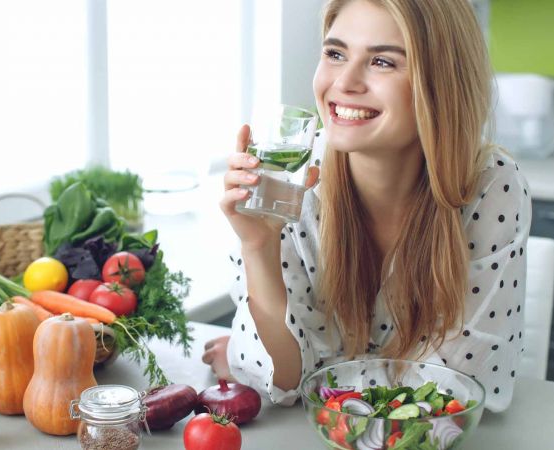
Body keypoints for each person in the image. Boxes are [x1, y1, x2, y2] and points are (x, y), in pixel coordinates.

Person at [204, 0, 531, 413]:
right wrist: (257, 248)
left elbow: (452, 394)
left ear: (441, 81)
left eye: (382, 62)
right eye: (335, 54)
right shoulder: (295, 177)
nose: (345, 82)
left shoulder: (490, 183)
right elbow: (285, 382)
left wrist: (317, 369)